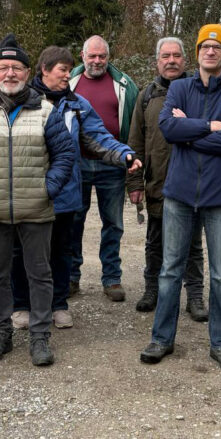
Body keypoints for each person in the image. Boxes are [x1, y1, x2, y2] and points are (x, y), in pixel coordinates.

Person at [0, 34, 74, 366]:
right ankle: (0, 332)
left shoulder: (45, 111)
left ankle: (39, 337)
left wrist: (47, 189)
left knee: (39, 274)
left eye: (17, 67)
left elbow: (65, 155)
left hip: (36, 210)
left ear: (27, 71)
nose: (10, 73)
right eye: (3, 67)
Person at [139, 24, 221, 372]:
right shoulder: (180, 88)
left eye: (217, 47)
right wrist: (211, 126)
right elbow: (169, 129)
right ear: (198, 51)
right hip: (180, 194)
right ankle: (161, 338)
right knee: (170, 270)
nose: (210, 52)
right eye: (205, 46)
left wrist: (192, 130)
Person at [10, 46, 140, 330]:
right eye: (62, 71)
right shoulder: (22, 100)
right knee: (23, 251)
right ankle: (21, 304)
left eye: (69, 71)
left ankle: (58, 304)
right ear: (44, 70)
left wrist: (124, 154)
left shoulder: (77, 104)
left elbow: (98, 136)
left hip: (66, 193)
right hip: (27, 191)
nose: (68, 76)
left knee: (61, 250)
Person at [126, 37, 206, 320]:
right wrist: (134, 184)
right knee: (155, 241)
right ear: (157, 61)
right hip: (157, 181)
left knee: (193, 244)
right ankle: (152, 289)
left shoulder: (199, 92)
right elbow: (135, 142)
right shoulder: (145, 96)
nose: (171, 60)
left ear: (185, 60)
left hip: (192, 183)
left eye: (176, 55)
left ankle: (195, 296)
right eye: (165, 56)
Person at [68, 35, 139, 301]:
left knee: (113, 223)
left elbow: (133, 126)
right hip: (78, 164)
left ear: (108, 58)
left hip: (112, 164)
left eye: (102, 56)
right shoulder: (70, 82)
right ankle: (71, 276)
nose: (97, 61)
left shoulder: (124, 85)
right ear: (82, 56)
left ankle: (111, 278)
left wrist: (131, 163)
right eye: (92, 56)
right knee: (74, 221)